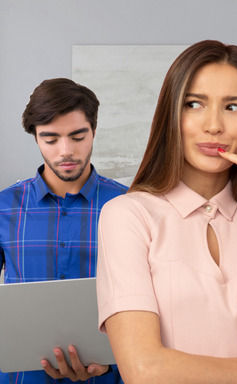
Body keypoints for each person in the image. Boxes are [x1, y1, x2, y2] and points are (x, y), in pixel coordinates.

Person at [96, 40, 237, 383]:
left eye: (233, 107)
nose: (213, 125)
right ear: (172, 113)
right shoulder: (127, 216)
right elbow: (144, 370)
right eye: (194, 104)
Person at [0, 78, 127, 384]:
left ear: (93, 131)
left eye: (77, 136)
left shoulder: (130, 205)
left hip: (108, 377)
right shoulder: (3, 207)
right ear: (35, 138)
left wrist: (109, 364)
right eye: (51, 139)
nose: (66, 151)